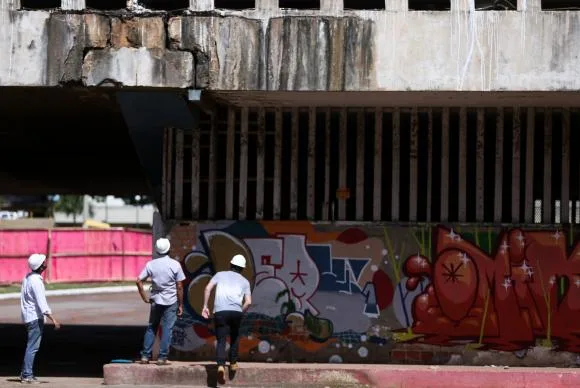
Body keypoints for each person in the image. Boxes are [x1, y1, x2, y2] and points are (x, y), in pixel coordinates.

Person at [202, 254, 252, 384]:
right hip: (236, 311)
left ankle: (220, 365)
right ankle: (233, 363)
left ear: (230, 265)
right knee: (235, 337)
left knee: (221, 339)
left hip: (220, 311)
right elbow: (248, 302)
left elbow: (208, 288)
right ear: (242, 269)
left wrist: (205, 306)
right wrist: (240, 310)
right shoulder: (245, 281)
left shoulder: (220, 275)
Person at [136, 238, 185, 366]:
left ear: (157, 250)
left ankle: (145, 356)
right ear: (169, 249)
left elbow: (138, 280)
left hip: (155, 300)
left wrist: (144, 297)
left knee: (152, 327)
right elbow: (179, 286)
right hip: (171, 301)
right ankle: (162, 357)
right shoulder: (175, 265)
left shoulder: (151, 264)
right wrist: (180, 304)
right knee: (167, 329)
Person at [20, 253, 61, 384]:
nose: (45, 263)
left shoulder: (27, 277)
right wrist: (53, 318)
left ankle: (24, 373)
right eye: (44, 262)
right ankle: (27, 375)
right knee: (32, 347)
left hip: (28, 317)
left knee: (30, 346)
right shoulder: (36, 282)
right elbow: (41, 303)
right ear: (41, 266)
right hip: (34, 318)